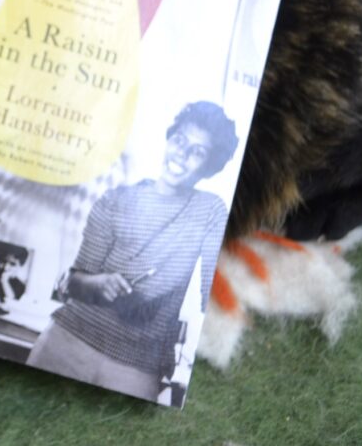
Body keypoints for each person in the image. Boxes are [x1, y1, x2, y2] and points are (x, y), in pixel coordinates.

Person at [26, 101, 239, 400]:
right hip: (66, 341)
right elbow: (72, 282)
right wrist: (97, 284)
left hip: (137, 367)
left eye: (198, 152)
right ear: (168, 138)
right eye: (179, 140)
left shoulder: (210, 212)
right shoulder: (115, 201)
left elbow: (211, 292)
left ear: (209, 166)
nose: (182, 154)